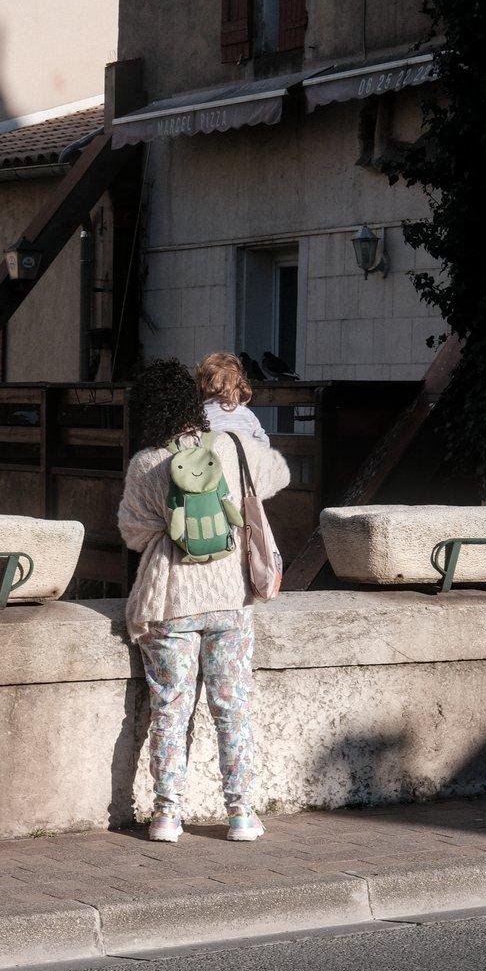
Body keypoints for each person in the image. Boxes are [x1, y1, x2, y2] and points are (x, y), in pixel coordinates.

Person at [118, 358, 290, 844]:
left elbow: (133, 534)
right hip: (230, 599)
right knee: (231, 708)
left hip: (171, 601)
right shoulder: (231, 450)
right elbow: (277, 477)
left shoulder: (147, 463)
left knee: (171, 709)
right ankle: (240, 814)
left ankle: (167, 815)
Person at [197, 352, 271, 446]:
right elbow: (264, 443)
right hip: (241, 459)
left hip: (210, 459)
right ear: (239, 385)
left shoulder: (200, 414)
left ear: (203, 385)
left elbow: (187, 441)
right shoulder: (247, 414)